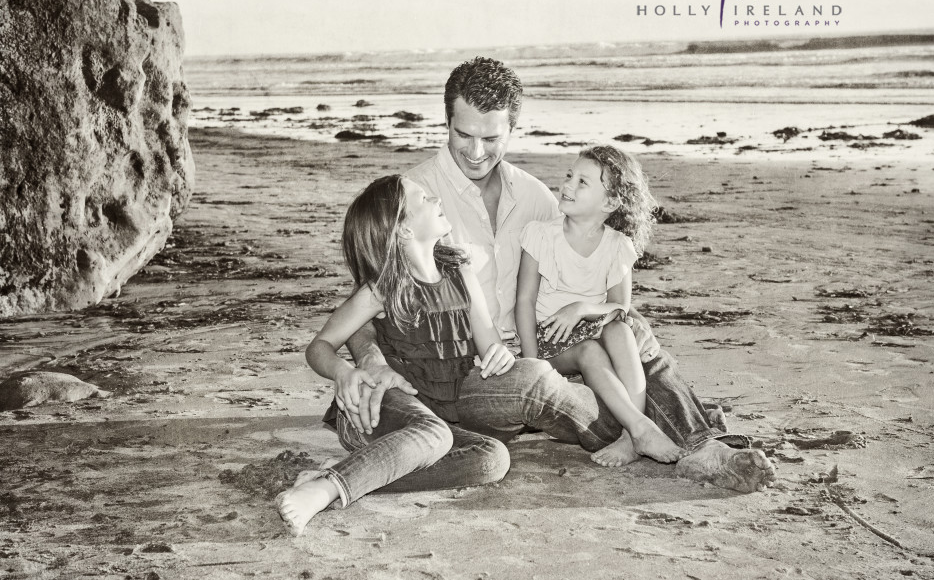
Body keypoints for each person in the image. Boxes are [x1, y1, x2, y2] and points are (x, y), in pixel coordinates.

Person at [334, 56, 775, 498]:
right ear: (445, 121)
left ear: (512, 130)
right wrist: (371, 361)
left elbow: (584, 271)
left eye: (490, 138)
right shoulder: (413, 197)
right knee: (543, 383)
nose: (475, 151)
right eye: (462, 134)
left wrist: (589, 319)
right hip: (471, 370)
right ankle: (665, 430)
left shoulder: (535, 197)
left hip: (541, 343)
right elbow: (368, 302)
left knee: (629, 327)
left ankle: (698, 442)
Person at [277, 175, 517, 536]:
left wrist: (500, 354)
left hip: (432, 418)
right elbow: (319, 346)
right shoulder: (382, 289)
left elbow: (490, 342)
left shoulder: (459, 272)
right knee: (435, 435)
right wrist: (344, 373)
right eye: (423, 197)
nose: (435, 197)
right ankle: (327, 489)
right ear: (403, 230)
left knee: (492, 458)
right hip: (378, 409)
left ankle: (355, 471)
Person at [516, 145, 678, 468]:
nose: (567, 185)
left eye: (582, 182)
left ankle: (630, 437)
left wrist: (581, 307)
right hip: (550, 340)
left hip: (589, 325)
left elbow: (620, 306)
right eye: (569, 176)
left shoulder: (617, 246)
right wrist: (533, 366)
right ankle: (640, 427)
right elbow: (524, 302)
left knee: (620, 329)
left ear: (610, 203)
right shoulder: (540, 236)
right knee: (590, 351)